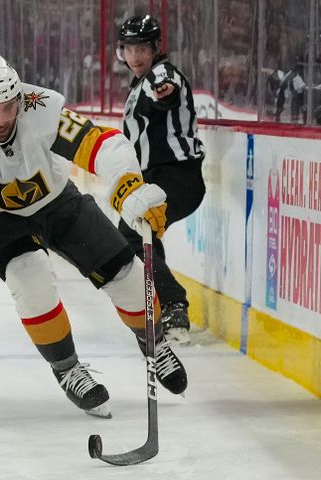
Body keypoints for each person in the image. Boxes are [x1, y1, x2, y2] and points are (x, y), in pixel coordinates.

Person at [0, 54, 189, 419]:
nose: (0, 120)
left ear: (19, 97)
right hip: (0, 222)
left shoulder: (40, 105)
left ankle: (152, 341)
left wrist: (127, 184)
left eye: (7, 107)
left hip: (59, 202)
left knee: (128, 277)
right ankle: (67, 368)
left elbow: (101, 144)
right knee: (31, 280)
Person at [116, 15, 206, 344]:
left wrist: (163, 91)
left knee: (129, 235)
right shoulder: (138, 84)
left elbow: (165, 86)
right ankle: (169, 306)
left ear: (156, 49)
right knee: (141, 237)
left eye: (143, 48)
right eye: (130, 48)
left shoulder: (159, 73)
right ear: (120, 52)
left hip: (177, 176)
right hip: (158, 179)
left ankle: (173, 305)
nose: (136, 55)